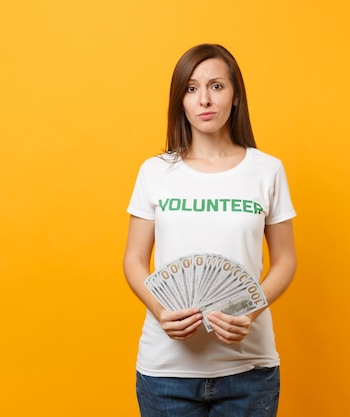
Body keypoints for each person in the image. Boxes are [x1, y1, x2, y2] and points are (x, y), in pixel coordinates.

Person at [123, 43, 297, 417]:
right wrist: (159, 308)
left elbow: (285, 260)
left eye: (217, 86)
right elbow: (134, 260)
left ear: (235, 97)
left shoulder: (267, 170)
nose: (204, 99)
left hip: (248, 370)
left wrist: (249, 311)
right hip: (165, 372)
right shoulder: (155, 171)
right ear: (180, 101)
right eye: (191, 88)